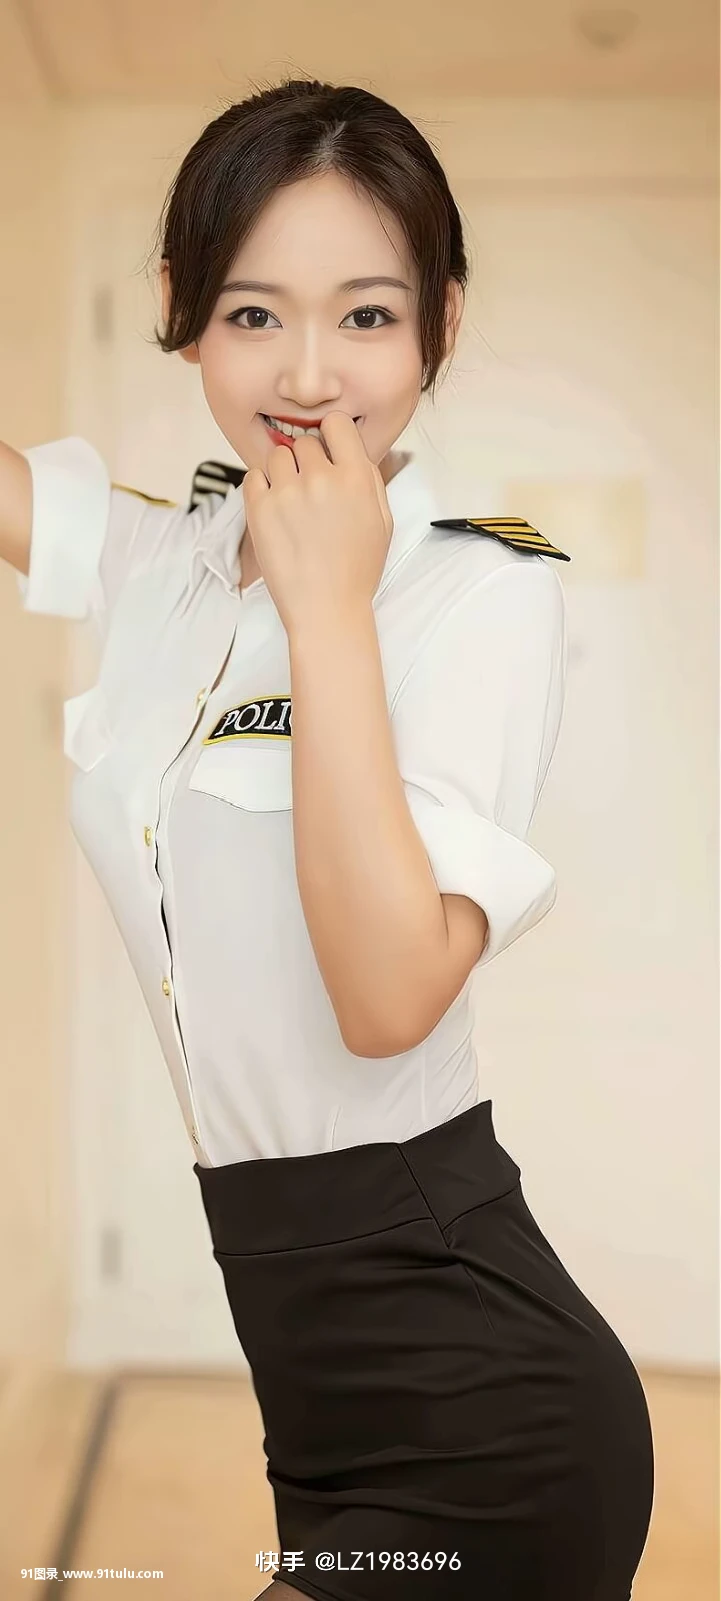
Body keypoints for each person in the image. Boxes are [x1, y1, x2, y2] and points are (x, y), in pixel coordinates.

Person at [1, 78, 654, 1601]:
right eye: (252, 314)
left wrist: (329, 607)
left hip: (481, 1402)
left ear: (439, 322)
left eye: (367, 315)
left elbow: (386, 997)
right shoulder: (171, 561)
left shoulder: (484, 590)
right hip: (311, 1387)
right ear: (184, 317)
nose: (308, 375)